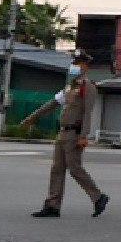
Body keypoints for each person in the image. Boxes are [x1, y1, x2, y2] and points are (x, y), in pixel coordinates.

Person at [23, 55, 107, 219]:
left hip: (74, 133)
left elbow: (87, 112)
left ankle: (98, 197)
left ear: (86, 67)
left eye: (78, 64)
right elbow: (52, 104)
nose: (75, 66)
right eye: (73, 63)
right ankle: (53, 205)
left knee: (75, 168)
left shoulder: (87, 86)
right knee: (57, 169)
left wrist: (83, 135)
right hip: (62, 132)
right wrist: (32, 117)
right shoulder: (69, 87)